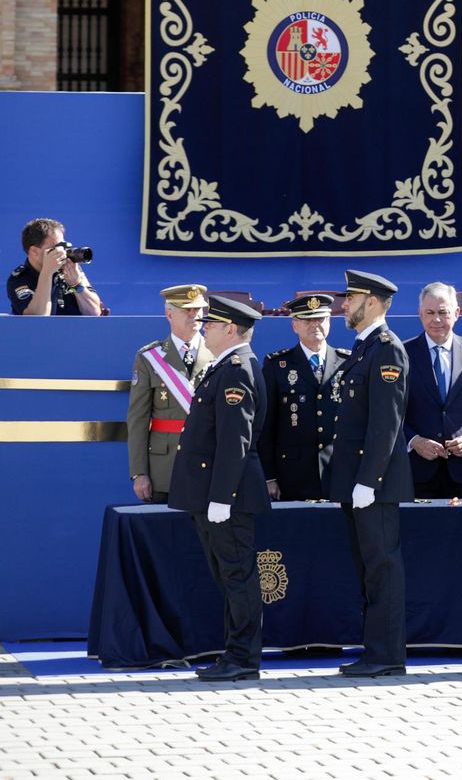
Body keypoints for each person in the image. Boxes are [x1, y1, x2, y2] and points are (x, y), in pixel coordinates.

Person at [166, 294, 269, 681]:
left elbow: (235, 442)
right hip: (213, 493)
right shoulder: (223, 367)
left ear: (230, 329)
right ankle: (235, 653)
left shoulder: (237, 370)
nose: (204, 328)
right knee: (228, 576)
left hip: (227, 496)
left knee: (238, 576)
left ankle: (242, 659)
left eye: (210, 324)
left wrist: (221, 498)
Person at [326, 270, 413, 678]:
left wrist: (369, 481)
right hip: (357, 480)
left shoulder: (387, 349)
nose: (345, 305)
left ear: (373, 302)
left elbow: (386, 424)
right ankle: (375, 651)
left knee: (382, 567)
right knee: (369, 567)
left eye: (351, 298)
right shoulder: (364, 348)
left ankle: (386, 655)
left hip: (373, 485)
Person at [127, 284, 213, 503]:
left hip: (209, 462)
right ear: (169, 314)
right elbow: (138, 418)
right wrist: (139, 472)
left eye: (199, 309)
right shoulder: (149, 357)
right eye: (187, 310)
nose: (194, 315)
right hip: (165, 467)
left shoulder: (217, 353)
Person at [260, 293, 349, 501]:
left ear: (329, 323)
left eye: (320, 319)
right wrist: (269, 476)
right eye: (307, 319)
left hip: (337, 472)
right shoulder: (277, 365)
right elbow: (266, 426)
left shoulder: (348, 362)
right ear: (294, 325)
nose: (314, 325)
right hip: (292, 474)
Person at [403, 282, 462, 500]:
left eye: (443, 312)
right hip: (417, 471)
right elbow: (391, 411)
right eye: (429, 313)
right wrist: (414, 441)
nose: (436, 319)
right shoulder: (402, 354)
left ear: (456, 313)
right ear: (420, 314)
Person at [8, 217, 103, 316]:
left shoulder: (68, 269)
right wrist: (47, 273)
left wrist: (76, 285)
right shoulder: (20, 279)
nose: (62, 252)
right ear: (34, 251)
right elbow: (37, 318)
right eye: (56, 248)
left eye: (64, 246)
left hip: (76, 331)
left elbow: (94, 313)